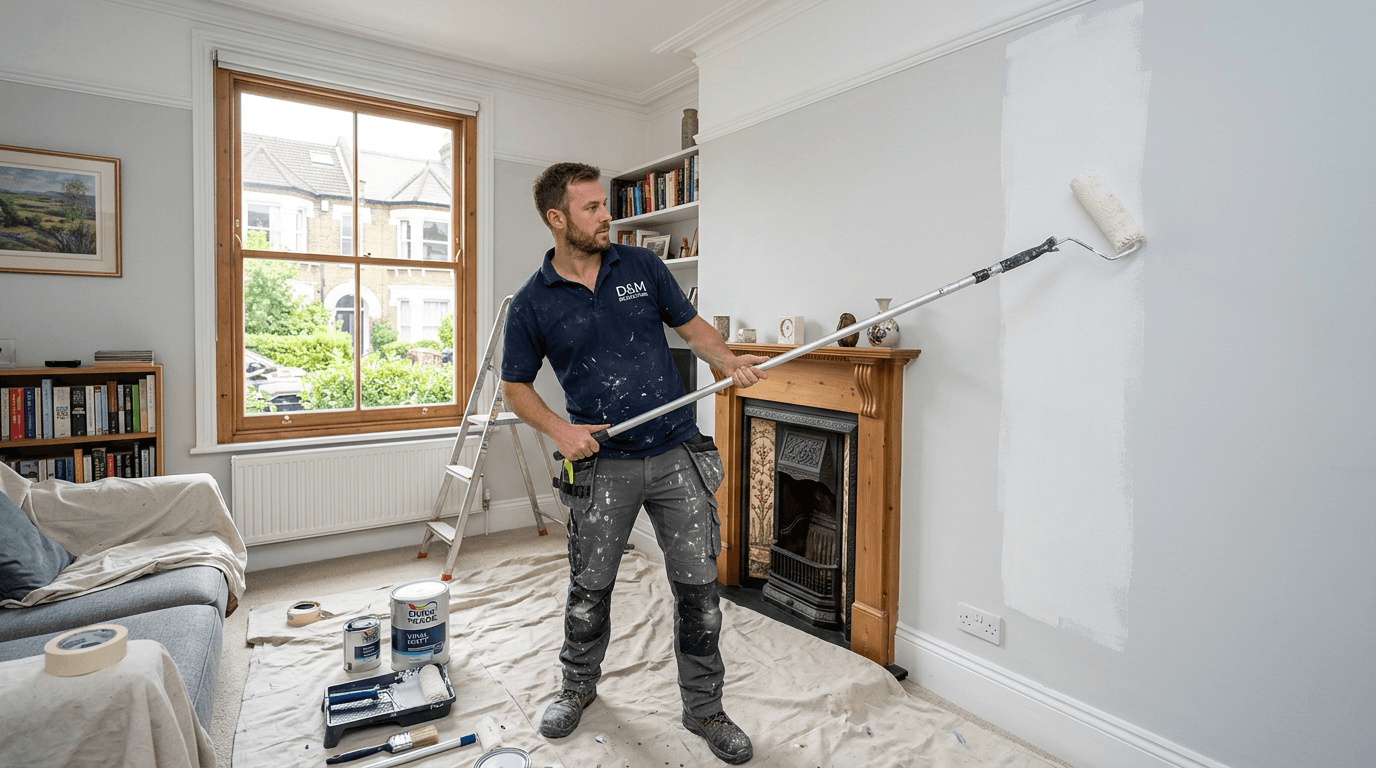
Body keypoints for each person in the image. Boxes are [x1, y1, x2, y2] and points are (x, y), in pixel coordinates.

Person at [501, 162, 768, 765]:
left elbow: (692, 327)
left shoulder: (642, 267)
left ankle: (704, 708)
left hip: (676, 452)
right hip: (603, 464)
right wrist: (561, 430)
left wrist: (727, 362)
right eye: (592, 208)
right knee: (588, 590)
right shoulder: (532, 302)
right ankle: (577, 688)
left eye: (604, 204)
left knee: (699, 590)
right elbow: (514, 388)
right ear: (557, 218)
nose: (606, 215)